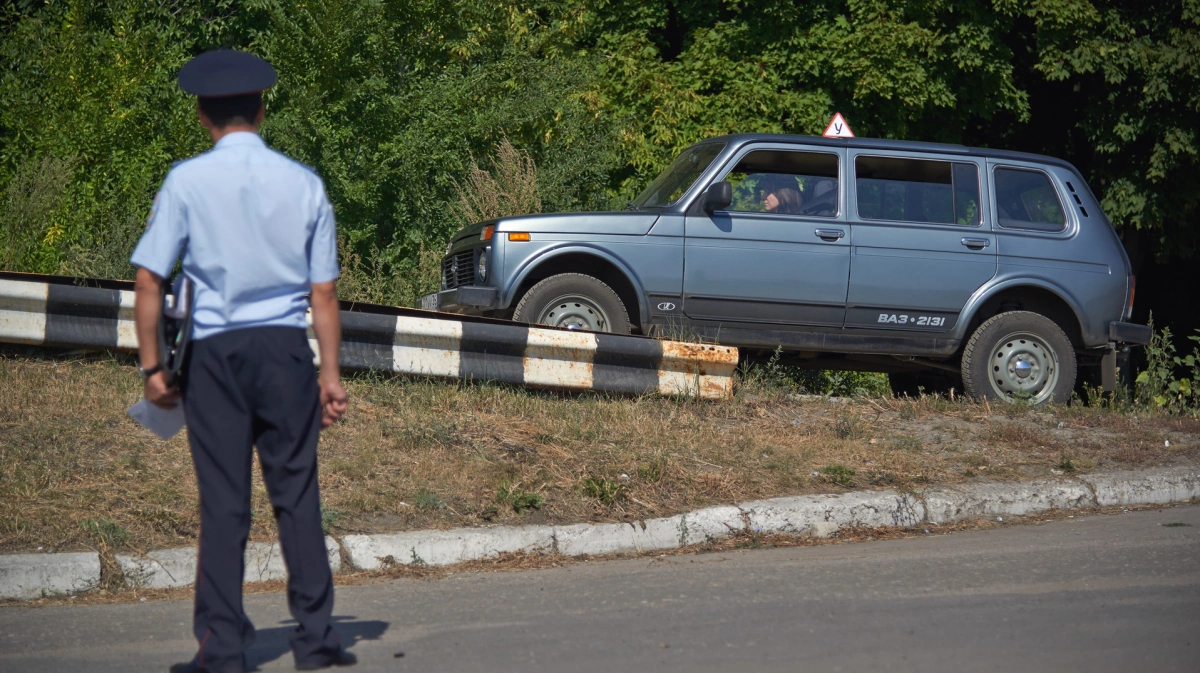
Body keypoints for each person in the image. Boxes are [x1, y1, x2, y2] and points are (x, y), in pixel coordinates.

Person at [131, 49, 354, 673]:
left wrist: (154, 370)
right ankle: (315, 639)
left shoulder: (186, 182)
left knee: (225, 504)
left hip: (217, 357)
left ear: (203, 115)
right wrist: (329, 376)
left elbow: (150, 280)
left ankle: (223, 648)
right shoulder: (305, 183)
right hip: (284, 351)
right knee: (297, 494)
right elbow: (324, 294)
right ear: (262, 108)